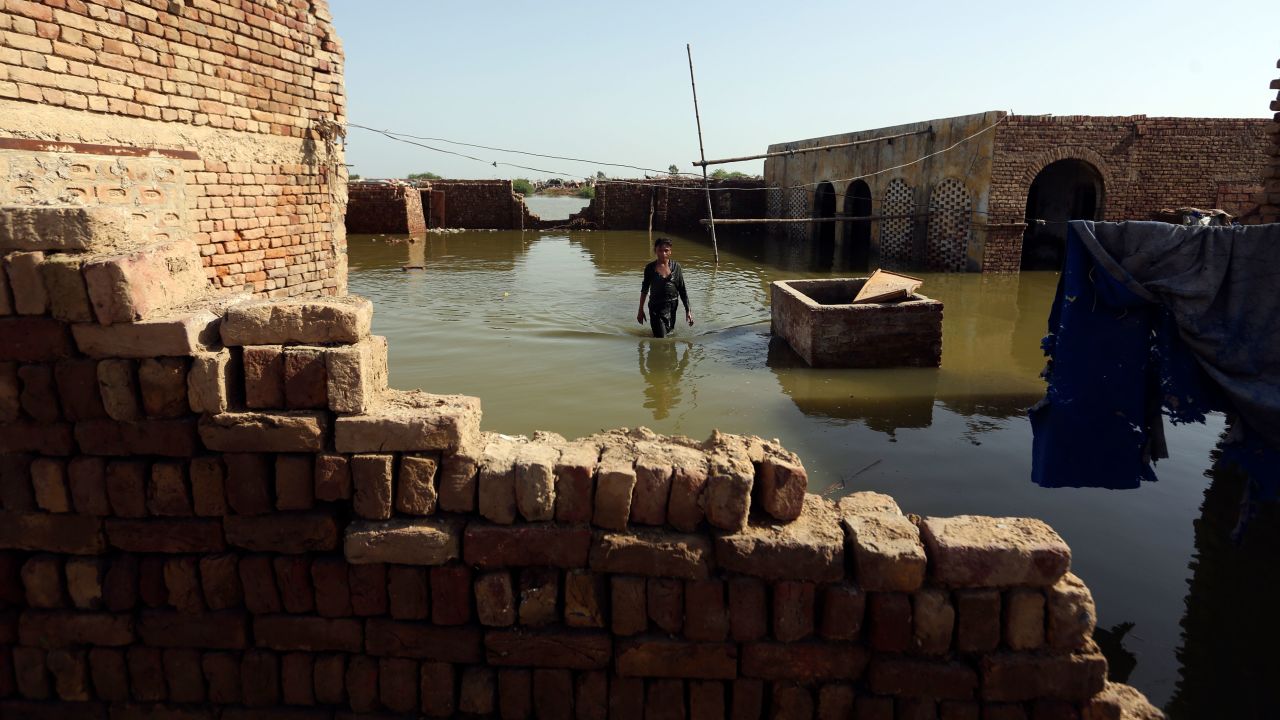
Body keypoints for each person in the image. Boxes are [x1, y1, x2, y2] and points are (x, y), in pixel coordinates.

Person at [637, 237, 693, 337]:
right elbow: (644, 290)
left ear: (670, 252)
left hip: (672, 308)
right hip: (656, 308)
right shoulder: (650, 268)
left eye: (666, 250)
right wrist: (640, 310)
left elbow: (682, 290)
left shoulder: (676, 267)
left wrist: (688, 310)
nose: (663, 254)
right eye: (660, 250)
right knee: (662, 339)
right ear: (655, 251)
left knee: (669, 334)